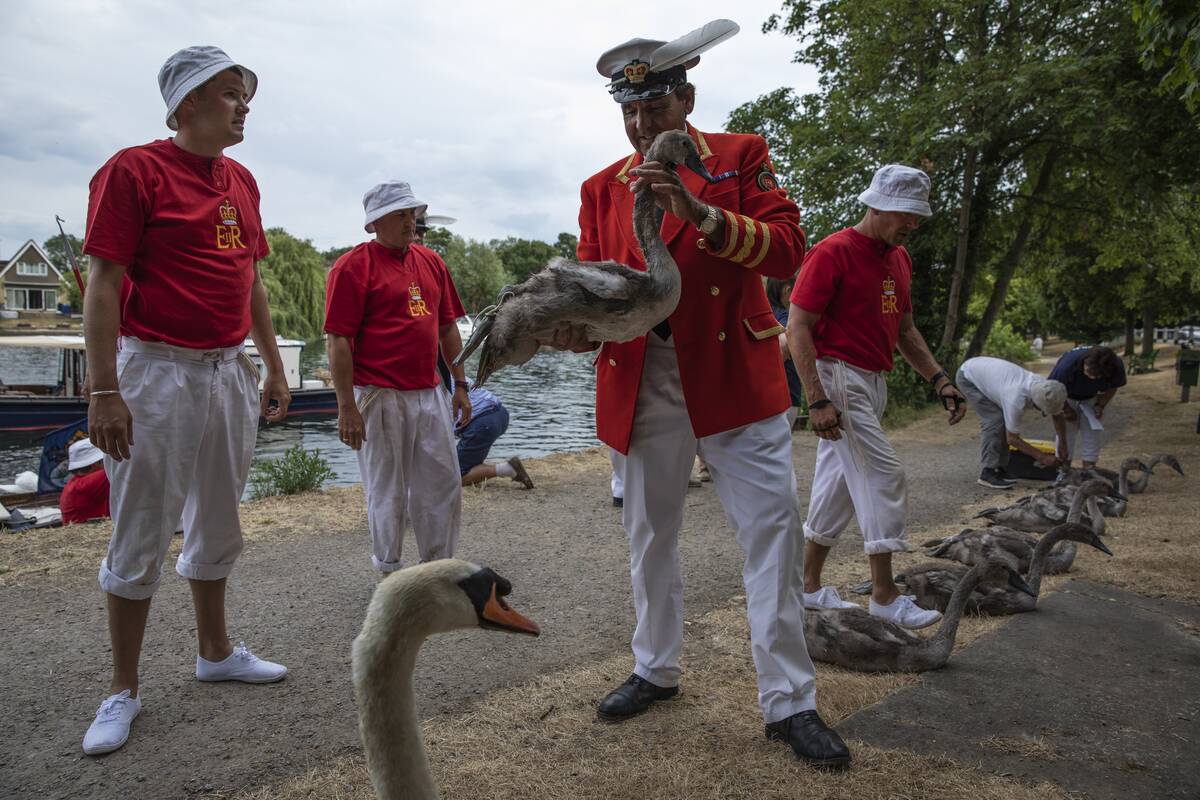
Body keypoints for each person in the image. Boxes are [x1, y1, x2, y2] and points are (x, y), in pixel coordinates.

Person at [551, 21, 849, 767]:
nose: (641, 127)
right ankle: (656, 666)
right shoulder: (599, 189)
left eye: (653, 110)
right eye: (630, 113)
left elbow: (787, 248)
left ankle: (789, 701)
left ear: (685, 99)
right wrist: (576, 328)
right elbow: (598, 287)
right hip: (642, 375)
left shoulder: (741, 156)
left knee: (772, 533)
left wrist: (701, 215)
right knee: (649, 533)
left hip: (732, 377)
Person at [80, 46, 291, 756]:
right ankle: (122, 689)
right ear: (189, 101)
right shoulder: (133, 170)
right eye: (232, 94)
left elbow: (251, 279)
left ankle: (215, 650)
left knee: (221, 512)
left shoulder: (242, 181)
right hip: (157, 370)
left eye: (245, 96)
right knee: (143, 520)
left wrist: (270, 365)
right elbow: (103, 282)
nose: (244, 107)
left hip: (225, 368)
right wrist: (104, 389)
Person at [787, 165, 967, 629]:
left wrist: (939, 379)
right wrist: (817, 399)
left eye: (918, 216)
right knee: (884, 476)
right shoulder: (833, 252)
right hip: (839, 377)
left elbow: (905, 331)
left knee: (841, 486)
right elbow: (798, 326)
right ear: (878, 205)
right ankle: (885, 597)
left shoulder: (899, 259)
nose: (913, 224)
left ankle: (806, 589)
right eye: (906, 214)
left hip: (872, 381)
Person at [325, 181, 471, 572]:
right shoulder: (353, 267)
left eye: (412, 214)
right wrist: (346, 407)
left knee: (442, 482)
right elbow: (339, 340)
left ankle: (437, 569)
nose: (411, 222)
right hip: (379, 394)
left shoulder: (431, 262)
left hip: (429, 391)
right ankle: (389, 571)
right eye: (400, 215)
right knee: (386, 491)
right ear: (374, 224)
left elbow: (447, 328)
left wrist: (459, 385)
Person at [956, 356, 1069, 488]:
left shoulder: (1047, 388)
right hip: (968, 376)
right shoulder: (1015, 399)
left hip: (985, 371)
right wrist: (1042, 457)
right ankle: (988, 472)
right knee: (995, 420)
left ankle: (1001, 469)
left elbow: (1057, 416)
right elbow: (1013, 439)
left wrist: (1062, 443)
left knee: (1005, 421)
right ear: (1037, 404)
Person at [1048, 345, 1126, 468]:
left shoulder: (1116, 366)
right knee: (1067, 434)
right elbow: (1053, 393)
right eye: (1088, 372)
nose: (1091, 377)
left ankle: (1089, 471)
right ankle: (1063, 471)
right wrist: (1066, 409)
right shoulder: (1066, 367)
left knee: (1092, 432)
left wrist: (1100, 405)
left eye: (1096, 376)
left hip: (1092, 397)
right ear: (1084, 362)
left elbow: (1113, 387)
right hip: (1065, 395)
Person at [456, 384, 534, 488]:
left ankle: (508, 469)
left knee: (454, 476)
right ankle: (474, 468)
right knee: (461, 460)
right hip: (500, 413)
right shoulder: (454, 376)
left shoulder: (435, 386)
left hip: (483, 423)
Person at [767, 276, 804, 427]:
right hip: (787, 394)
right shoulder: (785, 317)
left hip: (769, 395)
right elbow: (786, 341)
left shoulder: (767, 316)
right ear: (788, 290)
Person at [60, 439, 110, 524]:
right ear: (96, 464)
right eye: (104, 460)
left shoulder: (74, 483)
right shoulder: (89, 483)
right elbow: (125, 467)